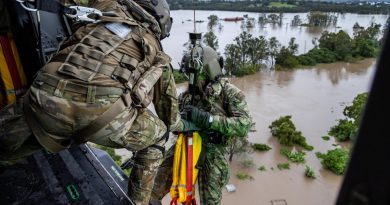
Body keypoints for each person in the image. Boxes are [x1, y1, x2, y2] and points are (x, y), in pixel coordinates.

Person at [0, 0, 182, 204]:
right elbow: (170, 116)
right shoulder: (157, 53)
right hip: (103, 117)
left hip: (46, 99)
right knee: (157, 138)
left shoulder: (102, 11)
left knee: (16, 138)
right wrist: (179, 125)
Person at [150, 45, 252, 205]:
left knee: (210, 201)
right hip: (185, 145)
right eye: (191, 75)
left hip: (213, 153)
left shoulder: (230, 93)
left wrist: (208, 120)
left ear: (209, 71)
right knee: (154, 188)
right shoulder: (188, 95)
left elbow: (243, 124)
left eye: (196, 74)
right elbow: (173, 122)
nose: (193, 79)